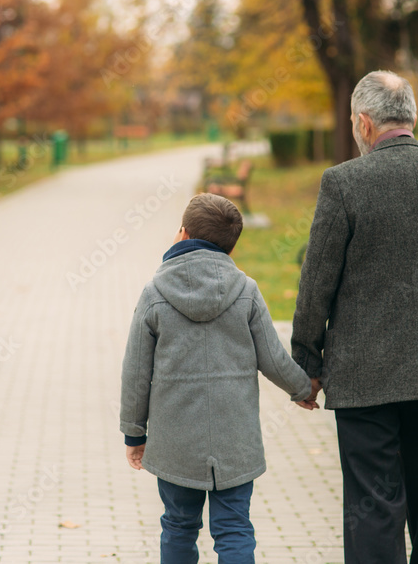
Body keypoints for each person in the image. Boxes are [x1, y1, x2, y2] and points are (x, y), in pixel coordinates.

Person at [291, 70, 418, 564]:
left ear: (363, 123)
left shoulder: (343, 183)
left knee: (373, 505)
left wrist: (306, 361)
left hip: (364, 377)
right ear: (412, 118)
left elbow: (317, 283)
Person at [120, 192, 314, 564]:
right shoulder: (246, 290)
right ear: (231, 245)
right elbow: (273, 358)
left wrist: (134, 432)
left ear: (182, 233)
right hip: (235, 440)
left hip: (176, 441)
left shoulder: (155, 292)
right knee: (235, 528)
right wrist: (303, 388)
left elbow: (135, 371)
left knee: (178, 525)